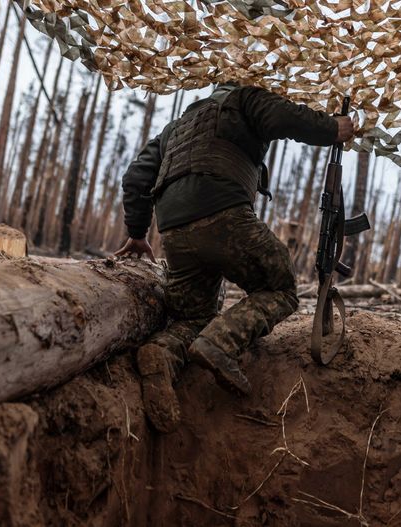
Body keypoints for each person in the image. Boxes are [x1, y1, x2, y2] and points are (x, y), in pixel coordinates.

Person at [115, 83, 356, 432]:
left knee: (193, 316)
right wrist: (333, 128)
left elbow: (136, 177)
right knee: (281, 287)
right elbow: (285, 117)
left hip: (175, 230)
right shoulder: (245, 98)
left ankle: (163, 352)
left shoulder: (177, 126)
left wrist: (138, 232)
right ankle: (219, 343)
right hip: (224, 212)